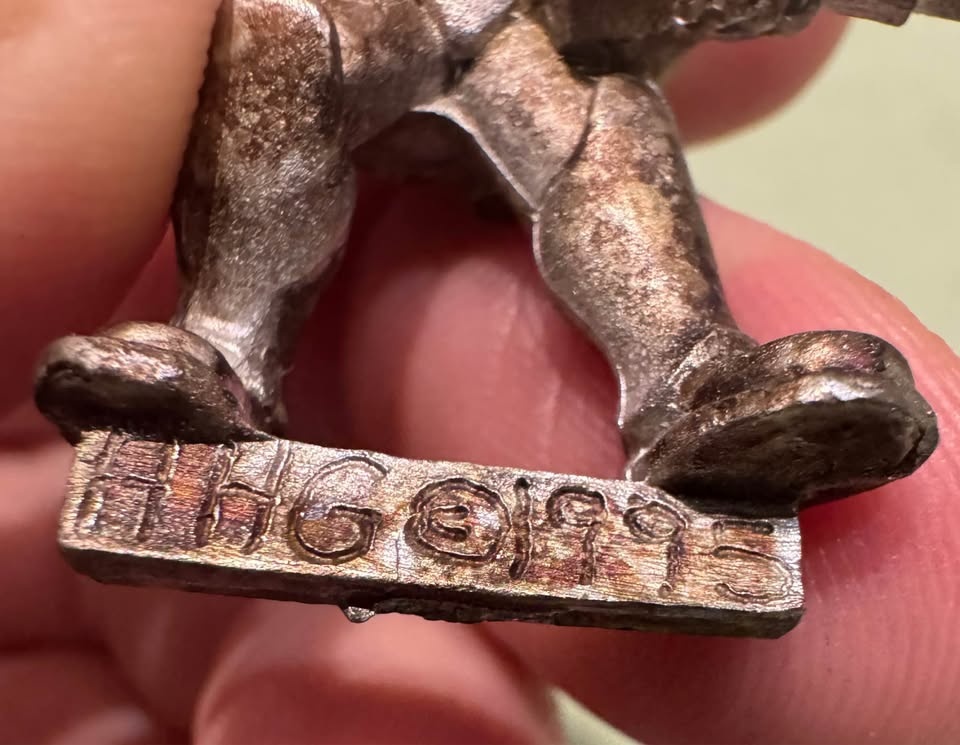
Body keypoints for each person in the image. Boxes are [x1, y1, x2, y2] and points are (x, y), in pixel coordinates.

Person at [0, 3, 956, 743]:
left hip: (522, 37)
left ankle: (694, 384)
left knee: (606, 119)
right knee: (282, 37)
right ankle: (221, 354)